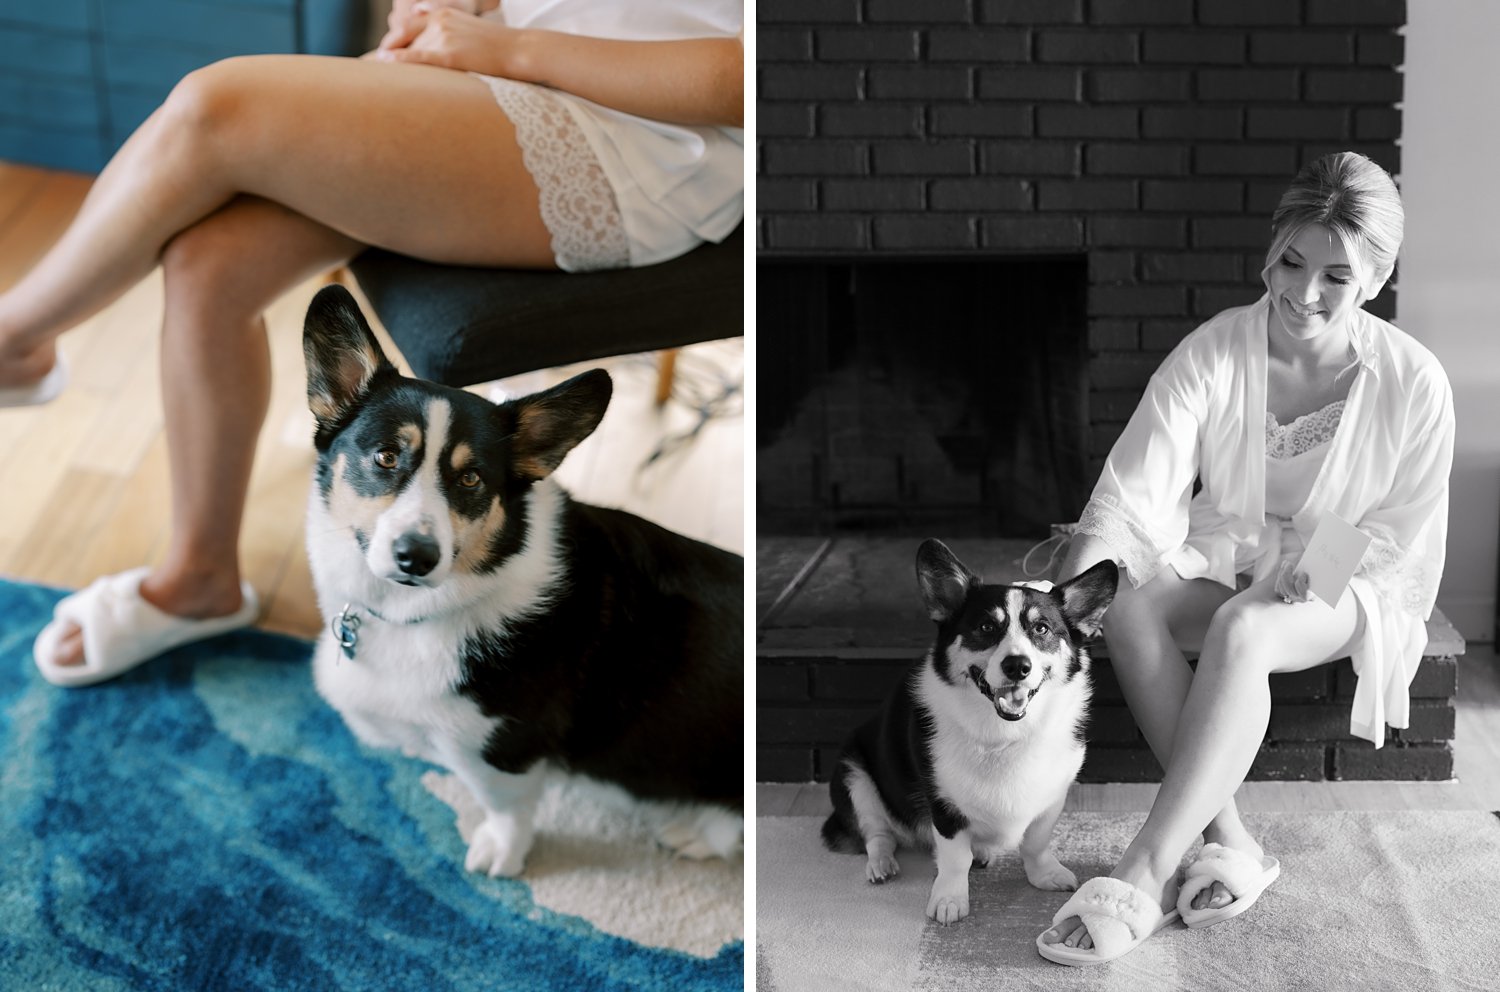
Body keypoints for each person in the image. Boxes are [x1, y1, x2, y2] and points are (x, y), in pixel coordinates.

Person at [0, 0, 743, 686]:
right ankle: (200, 577)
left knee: (211, 107)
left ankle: (15, 337)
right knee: (208, 263)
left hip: (648, 131)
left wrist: (508, 47)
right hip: (501, 54)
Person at [1035, 151, 1454, 966]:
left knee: (1243, 628)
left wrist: (1321, 568)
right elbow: (1136, 486)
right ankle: (1231, 842)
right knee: (1130, 600)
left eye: (1336, 276)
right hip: (1229, 548)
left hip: (1353, 576)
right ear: (1271, 248)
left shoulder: (1415, 381)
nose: (1303, 293)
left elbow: (1402, 530)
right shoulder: (1215, 349)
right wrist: (1070, 592)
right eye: (1291, 263)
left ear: (1375, 278)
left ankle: (1146, 870)